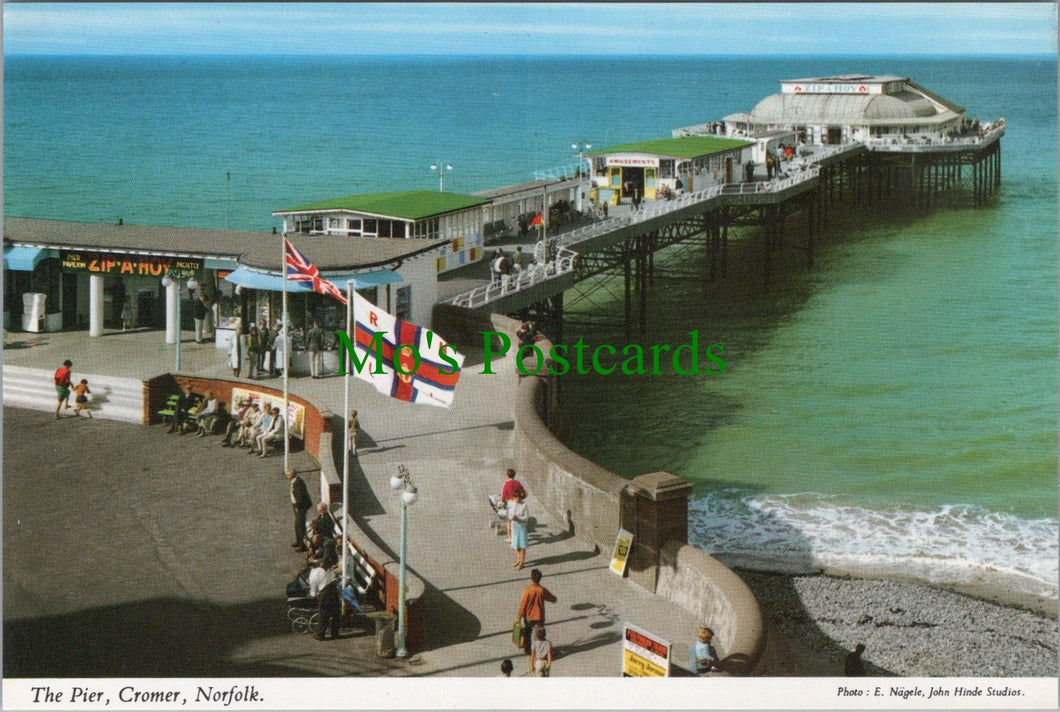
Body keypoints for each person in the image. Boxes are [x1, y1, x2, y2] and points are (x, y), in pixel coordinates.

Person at [517, 568, 556, 656]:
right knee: (538, 635)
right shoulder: (542, 590)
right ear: (540, 579)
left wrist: (520, 616)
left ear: (531, 578)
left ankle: (528, 650)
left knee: (527, 634)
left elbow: (523, 605)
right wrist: (554, 599)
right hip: (539, 617)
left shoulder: (527, 591)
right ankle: (539, 651)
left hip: (529, 617)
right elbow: (552, 598)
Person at [308, 559, 340, 641]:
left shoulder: (314, 574)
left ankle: (320, 634)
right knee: (335, 613)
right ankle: (335, 633)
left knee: (324, 613)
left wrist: (313, 595)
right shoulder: (326, 570)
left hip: (325, 592)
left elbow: (313, 589)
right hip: (333, 589)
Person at [288, 469, 312, 552]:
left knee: (300, 526)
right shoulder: (295, 481)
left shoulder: (298, 483)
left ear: (292, 475)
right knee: (297, 524)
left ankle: (303, 545)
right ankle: (298, 541)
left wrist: (297, 506)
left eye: (288, 474)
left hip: (300, 507)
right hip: (296, 506)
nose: (287, 476)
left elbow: (300, 497)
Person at [500, 468, 525, 542]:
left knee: (509, 521)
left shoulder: (506, 484)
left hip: (510, 503)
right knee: (518, 520)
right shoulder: (518, 483)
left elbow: (503, 497)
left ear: (507, 475)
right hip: (518, 503)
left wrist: (503, 501)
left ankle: (509, 537)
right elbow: (524, 493)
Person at [508, 489, 529, 569]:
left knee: (522, 545)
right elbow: (509, 515)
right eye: (516, 498)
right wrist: (512, 518)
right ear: (514, 497)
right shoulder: (512, 504)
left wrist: (518, 518)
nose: (517, 500)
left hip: (522, 527)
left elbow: (526, 517)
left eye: (519, 498)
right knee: (517, 545)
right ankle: (518, 559)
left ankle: (522, 562)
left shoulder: (524, 505)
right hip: (515, 527)